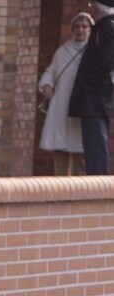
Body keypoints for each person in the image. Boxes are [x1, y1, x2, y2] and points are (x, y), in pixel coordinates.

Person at [39, 12, 94, 175]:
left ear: (90, 29)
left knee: (80, 160)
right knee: (60, 158)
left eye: (84, 26)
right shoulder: (62, 51)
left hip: (81, 109)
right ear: (72, 30)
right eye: (77, 26)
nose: (80, 30)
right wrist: (46, 85)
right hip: (61, 106)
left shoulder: (94, 51)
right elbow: (51, 71)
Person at [69, 1, 114, 174]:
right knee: (92, 148)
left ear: (99, 7)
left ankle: (99, 186)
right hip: (95, 98)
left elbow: (107, 60)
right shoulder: (104, 27)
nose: (91, 8)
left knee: (95, 150)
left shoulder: (106, 27)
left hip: (95, 99)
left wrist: (87, 86)